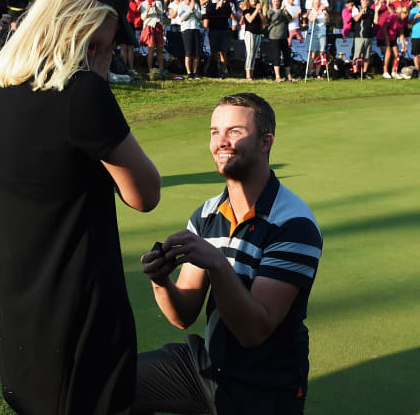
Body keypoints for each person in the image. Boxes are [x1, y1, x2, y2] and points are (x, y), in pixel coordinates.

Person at [0, 0, 160, 415]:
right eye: (111, 26)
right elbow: (145, 193)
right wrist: (98, 83)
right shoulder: (82, 93)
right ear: (88, 16)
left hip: (23, 310)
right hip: (80, 314)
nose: (111, 41)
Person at [135, 92, 322, 415]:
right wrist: (161, 280)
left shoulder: (294, 224)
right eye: (214, 132)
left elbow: (254, 331)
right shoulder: (207, 214)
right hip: (206, 366)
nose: (221, 141)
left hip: (265, 386)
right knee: (105, 384)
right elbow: (183, 315)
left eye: (235, 131)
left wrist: (218, 264)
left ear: (266, 142)